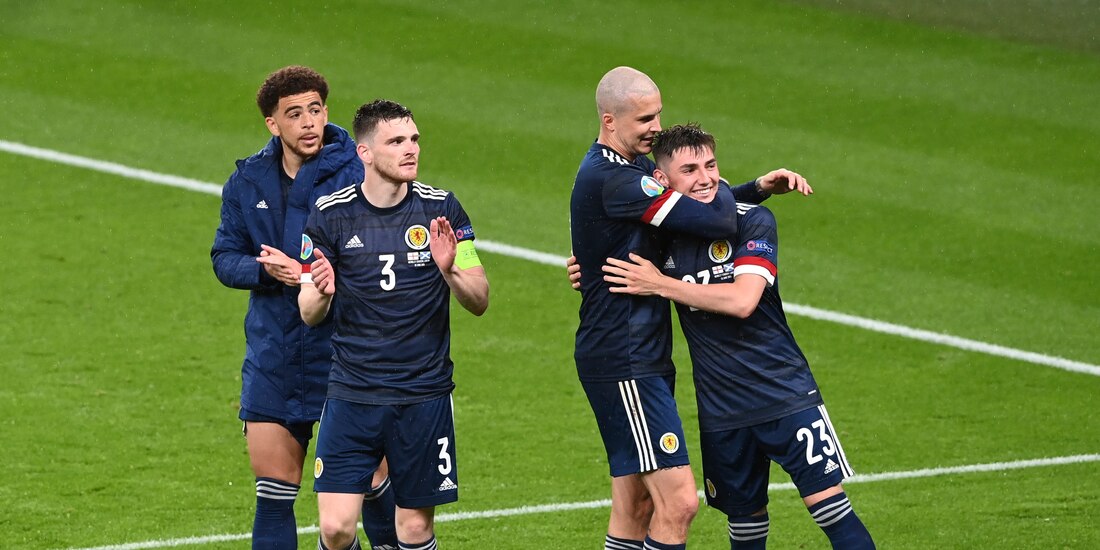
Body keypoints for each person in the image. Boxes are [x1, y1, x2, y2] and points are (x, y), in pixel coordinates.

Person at [569, 66, 810, 550]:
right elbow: (716, 219)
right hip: (625, 358)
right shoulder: (614, 178)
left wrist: (754, 189)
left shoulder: (629, 167)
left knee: (635, 506)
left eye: (659, 113)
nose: (656, 127)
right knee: (679, 503)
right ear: (610, 120)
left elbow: (687, 211)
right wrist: (731, 193)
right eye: (644, 119)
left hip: (637, 353)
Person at [601, 123, 875, 549]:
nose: (706, 177)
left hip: (784, 394)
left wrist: (662, 285)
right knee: (745, 528)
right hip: (722, 411)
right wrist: (585, 266)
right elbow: (616, 258)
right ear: (661, 181)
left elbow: (743, 300)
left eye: (710, 165)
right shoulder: (662, 236)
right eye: (689, 169)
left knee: (831, 512)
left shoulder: (753, 221)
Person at [211, 66, 397, 550]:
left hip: (347, 355)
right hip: (274, 354)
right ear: (273, 124)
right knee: (273, 492)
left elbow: (384, 251)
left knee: (372, 485)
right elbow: (224, 257)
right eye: (295, 114)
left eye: (315, 110)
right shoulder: (247, 181)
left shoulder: (360, 171)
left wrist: (313, 274)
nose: (309, 122)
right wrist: (264, 271)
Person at [298, 99, 489, 550]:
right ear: (364, 153)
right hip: (352, 394)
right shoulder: (330, 213)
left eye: (414, 139)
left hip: (422, 396)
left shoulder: (443, 210)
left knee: (415, 529)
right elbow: (308, 311)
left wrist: (452, 271)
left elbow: (479, 299)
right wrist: (322, 291)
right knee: (336, 528)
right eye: (396, 141)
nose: (411, 150)